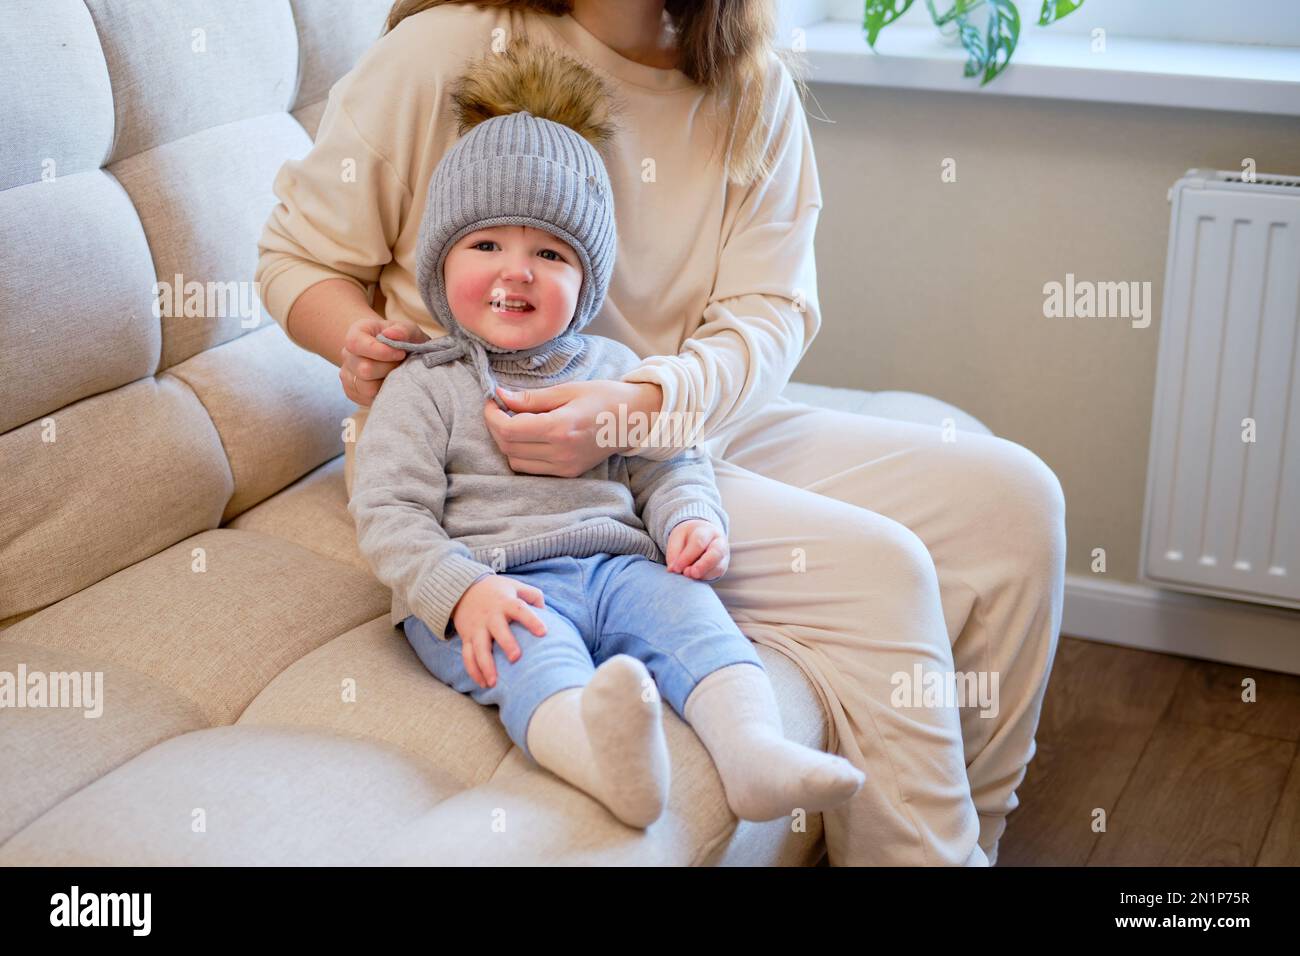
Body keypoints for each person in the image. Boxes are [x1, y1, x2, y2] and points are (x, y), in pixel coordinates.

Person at [255, 0, 1066, 866]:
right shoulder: (446, 49)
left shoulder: (748, 85)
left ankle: (975, 842)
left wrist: (641, 405)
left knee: (1017, 502)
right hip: (500, 468)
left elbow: (771, 309)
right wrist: (357, 336)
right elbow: (295, 257)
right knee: (884, 571)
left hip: (686, 422)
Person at [348, 36, 867, 830]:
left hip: (618, 564)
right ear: (440, 264)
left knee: (697, 621)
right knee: (531, 655)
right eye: (486, 244)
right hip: (497, 583)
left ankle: (755, 752)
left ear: (587, 279)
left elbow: (666, 463)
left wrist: (692, 519)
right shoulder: (426, 384)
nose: (515, 270)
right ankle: (602, 757)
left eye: (549, 252)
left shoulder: (614, 365)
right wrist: (460, 591)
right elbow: (388, 512)